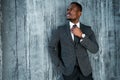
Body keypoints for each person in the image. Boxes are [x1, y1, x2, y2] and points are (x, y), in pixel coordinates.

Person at [48, 2, 99, 80]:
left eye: (72, 9)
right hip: (68, 72)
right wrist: (59, 65)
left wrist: (82, 35)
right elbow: (51, 47)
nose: (68, 11)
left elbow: (95, 49)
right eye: (68, 9)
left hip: (85, 72)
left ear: (79, 13)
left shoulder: (87, 30)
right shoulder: (60, 30)